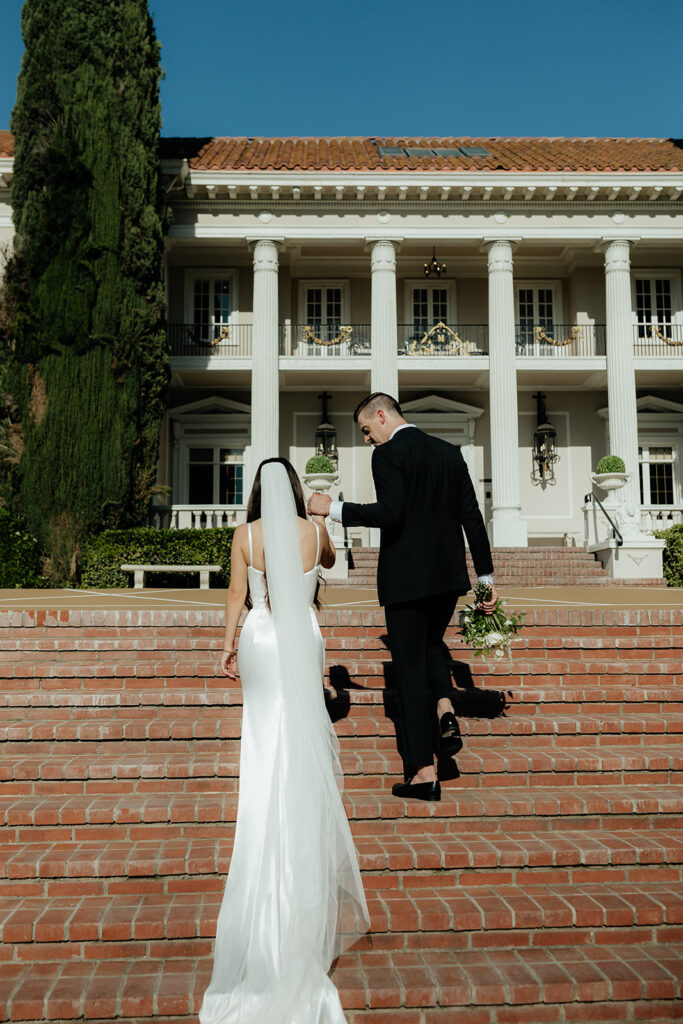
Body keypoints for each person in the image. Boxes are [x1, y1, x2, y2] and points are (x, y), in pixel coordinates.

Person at [199, 458, 369, 1024]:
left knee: (263, 730)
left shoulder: (244, 535)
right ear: (296, 490)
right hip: (305, 639)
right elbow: (327, 569)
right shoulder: (317, 533)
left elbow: (236, 597)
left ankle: (264, 804)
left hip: (262, 637)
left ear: (255, 492)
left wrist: (225, 646)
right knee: (300, 730)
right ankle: (297, 812)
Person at [308, 393, 497, 802]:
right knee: (431, 647)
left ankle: (422, 773)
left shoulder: (388, 454)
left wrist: (333, 507)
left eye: (365, 429)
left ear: (381, 415)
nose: (366, 439)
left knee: (409, 674)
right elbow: (472, 517)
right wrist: (484, 577)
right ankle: (445, 709)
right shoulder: (450, 453)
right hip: (449, 579)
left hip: (407, 580)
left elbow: (391, 514)